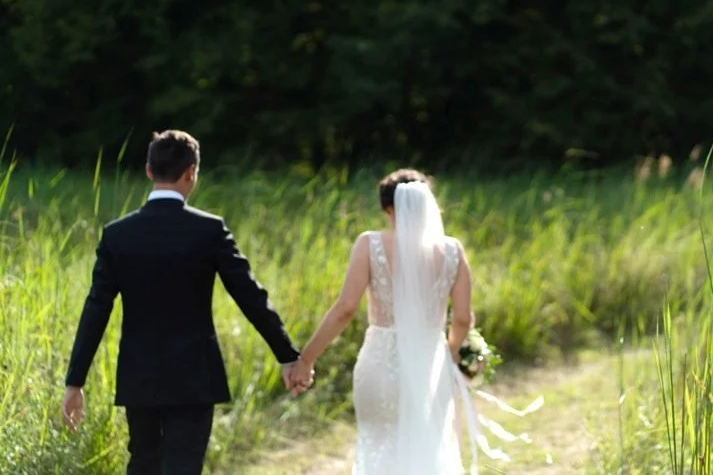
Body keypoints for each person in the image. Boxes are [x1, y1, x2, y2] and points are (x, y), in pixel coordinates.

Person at [60, 130, 312, 474]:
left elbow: (96, 308)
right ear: (191, 172)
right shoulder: (209, 230)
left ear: (149, 171)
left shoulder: (117, 234)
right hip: (195, 374)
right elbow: (249, 296)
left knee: (144, 462)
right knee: (184, 464)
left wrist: (75, 381)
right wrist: (288, 355)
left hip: (140, 373)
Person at [290, 169, 475, 474]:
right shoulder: (453, 250)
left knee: (380, 447)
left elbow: (345, 309)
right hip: (430, 364)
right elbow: (464, 318)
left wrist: (306, 358)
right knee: (427, 452)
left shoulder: (370, 244)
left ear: (389, 209)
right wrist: (451, 352)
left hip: (380, 363)